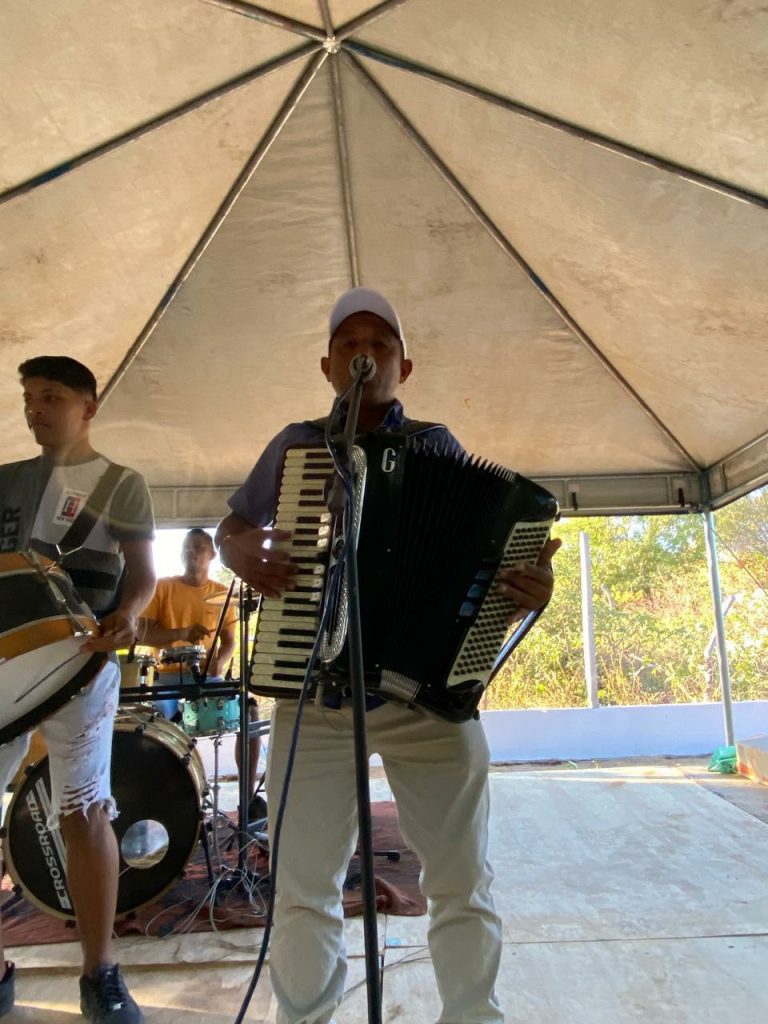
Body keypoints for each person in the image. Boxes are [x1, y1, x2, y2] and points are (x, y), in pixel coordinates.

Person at [215, 287, 561, 1024]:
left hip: (426, 701)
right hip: (314, 696)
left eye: (380, 343)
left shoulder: (438, 447)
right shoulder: (296, 445)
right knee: (303, 889)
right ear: (326, 365)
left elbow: (480, 574)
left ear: (405, 366)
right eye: (349, 343)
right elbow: (232, 527)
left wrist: (527, 589)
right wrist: (237, 549)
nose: (363, 354)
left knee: (463, 882)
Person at [0, 356, 155, 1022]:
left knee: (84, 813)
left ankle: (101, 975)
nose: (36, 409)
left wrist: (132, 613)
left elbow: (142, 573)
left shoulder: (122, 484)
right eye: (29, 398)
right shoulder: (5, 481)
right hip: (5, 668)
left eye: (52, 397)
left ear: (88, 408)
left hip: (84, 665)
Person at [137, 529, 261, 809]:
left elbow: (229, 640)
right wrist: (182, 633)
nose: (190, 552)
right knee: (155, 721)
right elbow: (143, 634)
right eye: (186, 547)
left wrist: (221, 660)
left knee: (249, 710)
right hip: (167, 677)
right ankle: (166, 802)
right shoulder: (162, 587)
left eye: (197, 547)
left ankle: (247, 798)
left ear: (212, 554)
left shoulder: (222, 594)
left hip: (207, 678)